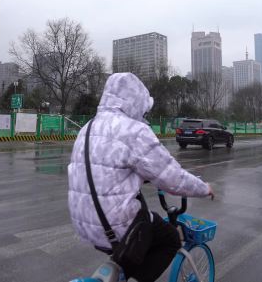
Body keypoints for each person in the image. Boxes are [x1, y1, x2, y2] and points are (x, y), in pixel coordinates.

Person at [68, 73, 214, 282]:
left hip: (85, 224)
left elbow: (105, 169)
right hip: (115, 226)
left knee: (137, 242)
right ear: (135, 101)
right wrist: (204, 188)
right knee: (170, 239)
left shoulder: (87, 128)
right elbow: (172, 177)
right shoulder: (133, 130)